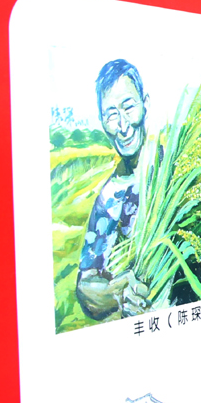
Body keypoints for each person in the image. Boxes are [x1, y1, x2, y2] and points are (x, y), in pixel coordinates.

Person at [76, 59, 152, 321]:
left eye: (128, 107)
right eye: (111, 115)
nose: (123, 125)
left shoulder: (177, 170)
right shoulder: (110, 197)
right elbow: (85, 284)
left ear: (145, 104)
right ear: (102, 122)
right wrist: (117, 292)